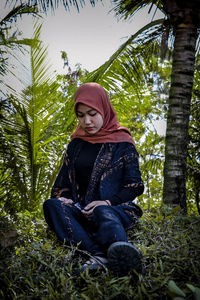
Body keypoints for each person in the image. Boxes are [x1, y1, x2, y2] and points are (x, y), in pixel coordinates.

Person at [43, 82, 144, 276]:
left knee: (102, 211)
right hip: (82, 210)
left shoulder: (123, 143)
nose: (87, 121)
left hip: (114, 210)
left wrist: (106, 202)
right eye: (80, 115)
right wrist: (64, 198)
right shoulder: (75, 145)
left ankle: (118, 249)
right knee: (51, 205)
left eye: (92, 113)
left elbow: (135, 185)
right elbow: (61, 184)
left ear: (104, 110)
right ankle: (101, 254)